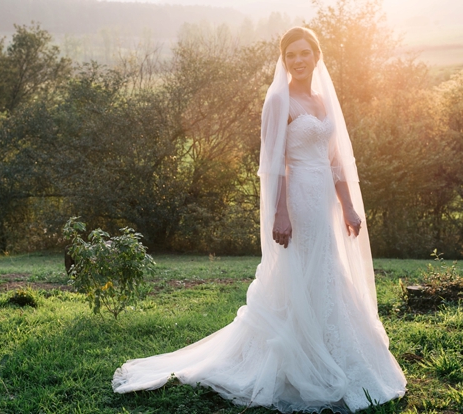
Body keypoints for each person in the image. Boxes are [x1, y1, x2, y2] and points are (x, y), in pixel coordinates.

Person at [112, 27, 406, 413]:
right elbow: (273, 165)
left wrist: (349, 206)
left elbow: (336, 160)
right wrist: (280, 212)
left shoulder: (322, 99)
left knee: (328, 272)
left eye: (304, 53)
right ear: (283, 60)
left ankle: (339, 352)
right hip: (297, 199)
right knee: (299, 276)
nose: (298, 61)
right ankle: (297, 360)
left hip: (326, 204)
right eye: (290, 55)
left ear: (317, 56)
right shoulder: (278, 100)